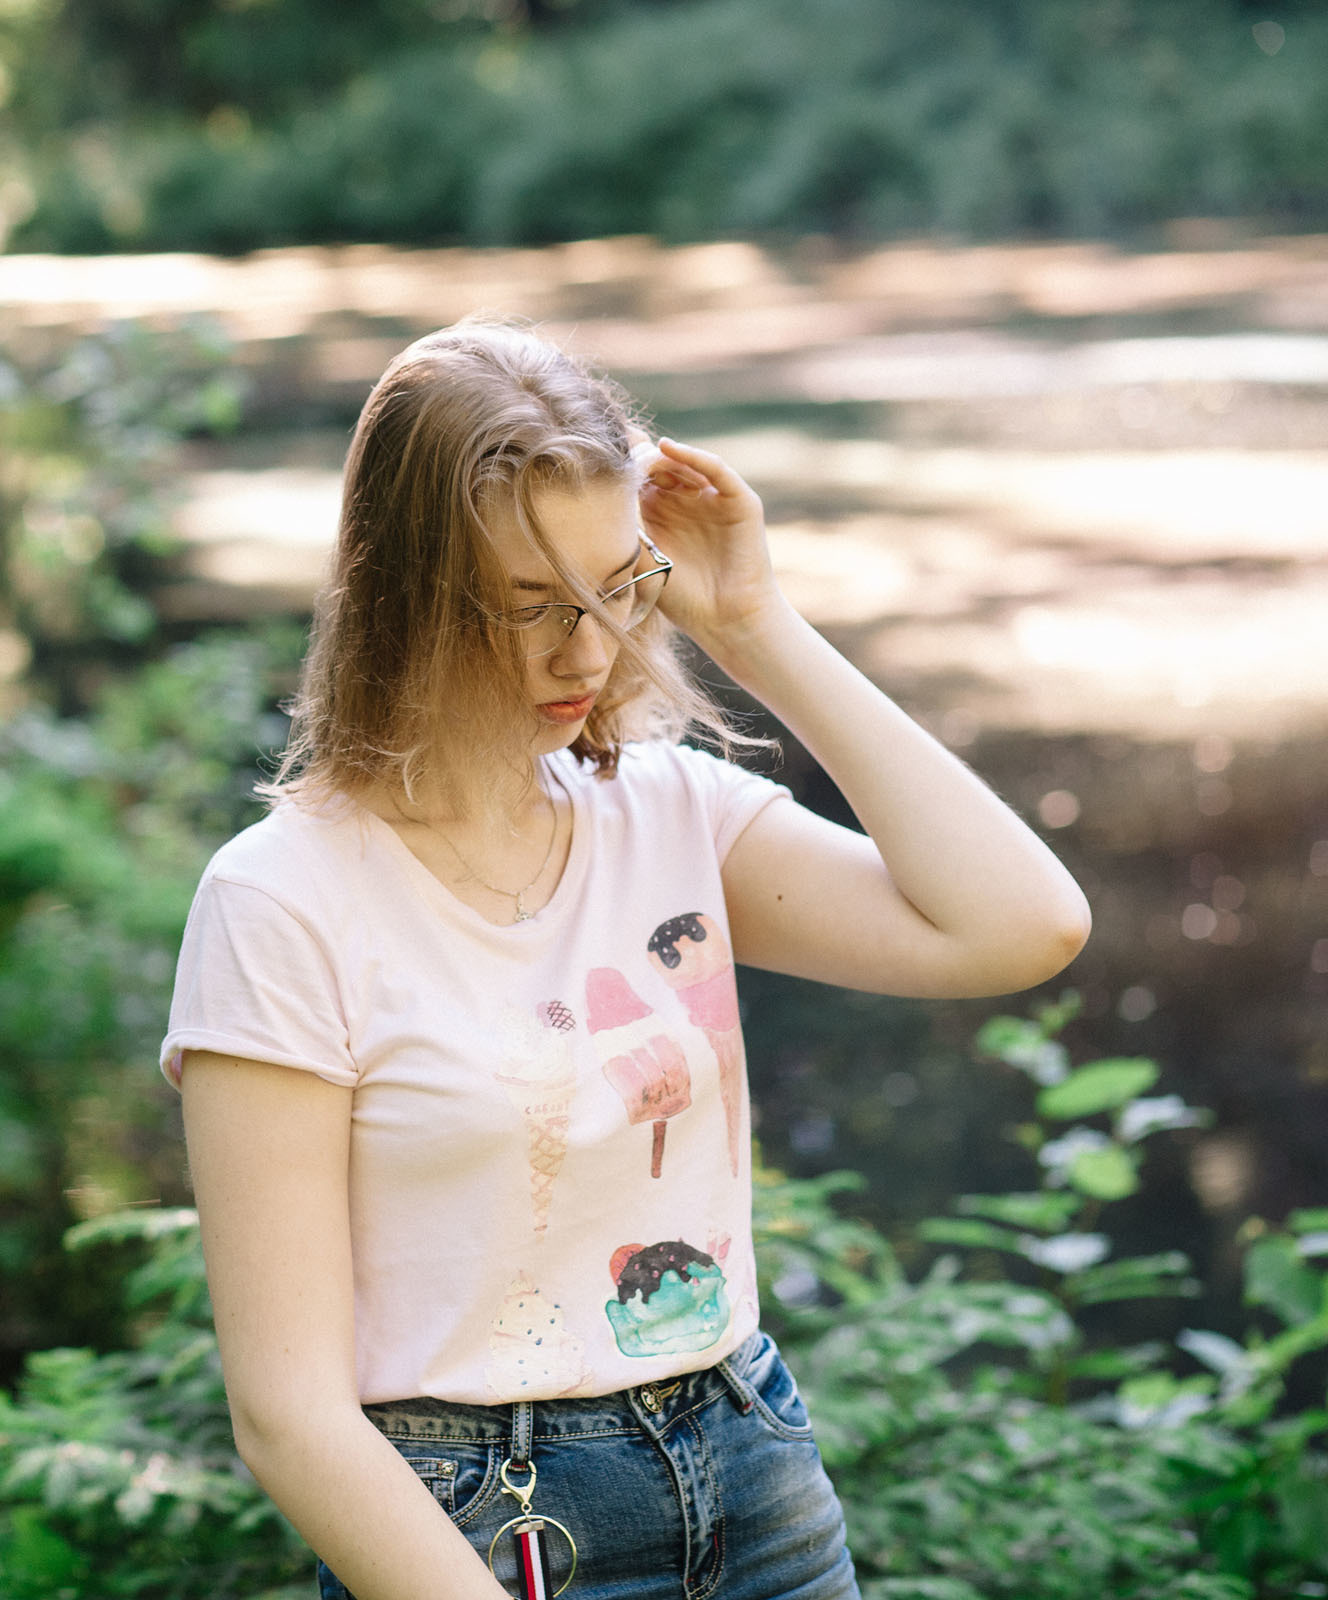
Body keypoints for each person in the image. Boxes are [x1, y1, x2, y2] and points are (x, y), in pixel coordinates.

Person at [160, 315, 1091, 1600]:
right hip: (482, 1524)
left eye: (619, 590)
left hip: (754, 1476)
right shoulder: (279, 902)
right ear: (405, 596)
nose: (586, 653)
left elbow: (1020, 925)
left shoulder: (674, 816)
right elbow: (289, 1417)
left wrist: (756, 621)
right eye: (530, 608)